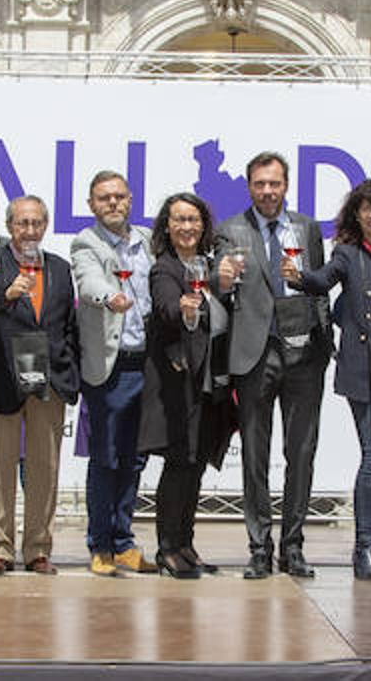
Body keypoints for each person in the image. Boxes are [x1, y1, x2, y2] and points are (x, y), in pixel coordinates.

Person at [285, 180, 371, 581]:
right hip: (365, 369)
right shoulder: (348, 254)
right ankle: (363, 549)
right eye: (367, 209)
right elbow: (322, 280)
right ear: (356, 215)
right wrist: (297, 276)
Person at [214, 152, 331, 580]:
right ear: (249, 187)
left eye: (274, 184)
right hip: (254, 353)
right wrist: (221, 279)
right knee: (254, 455)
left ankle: (293, 546)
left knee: (301, 452)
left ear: (286, 186)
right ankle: (259, 546)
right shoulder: (230, 230)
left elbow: (319, 288)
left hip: (304, 353)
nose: (267, 191)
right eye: (260, 184)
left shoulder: (307, 228)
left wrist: (326, 340)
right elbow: (219, 286)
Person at [0, 196, 82, 575]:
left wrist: (67, 369)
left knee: (44, 468)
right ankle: (0, 548)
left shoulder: (59, 267)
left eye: (37, 223)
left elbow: (68, 325)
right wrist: (4, 298)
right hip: (4, 378)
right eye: (23, 223)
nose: (30, 230)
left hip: (49, 379)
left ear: (47, 225)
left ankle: (38, 548)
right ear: (9, 226)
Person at [138, 193, 238, 579]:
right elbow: (166, 307)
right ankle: (167, 548)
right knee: (179, 465)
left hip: (209, 382)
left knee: (195, 466)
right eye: (178, 219)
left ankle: (186, 543)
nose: (186, 227)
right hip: (178, 384)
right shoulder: (164, 269)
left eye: (193, 219)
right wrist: (183, 308)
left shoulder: (211, 267)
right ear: (167, 225)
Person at [70, 171, 156, 576]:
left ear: (131, 199)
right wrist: (111, 297)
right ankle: (100, 544)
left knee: (135, 459)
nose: (113, 204)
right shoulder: (86, 242)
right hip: (109, 366)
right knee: (105, 457)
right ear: (91, 204)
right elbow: (89, 281)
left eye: (119, 197)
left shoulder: (149, 241)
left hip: (148, 363)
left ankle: (124, 542)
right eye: (104, 198)